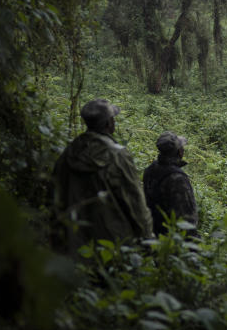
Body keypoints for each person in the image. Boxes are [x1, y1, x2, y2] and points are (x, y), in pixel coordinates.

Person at [52, 98, 153, 255]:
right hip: (112, 246)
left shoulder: (68, 153)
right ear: (108, 123)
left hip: (72, 243)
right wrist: (147, 238)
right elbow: (135, 201)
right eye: (113, 119)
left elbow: (54, 196)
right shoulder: (117, 155)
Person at [142, 131, 198, 237]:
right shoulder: (177, 178)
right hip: (170, 240)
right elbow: (187, 218)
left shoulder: (150, 169)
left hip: (152, 233)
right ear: (179, 152)